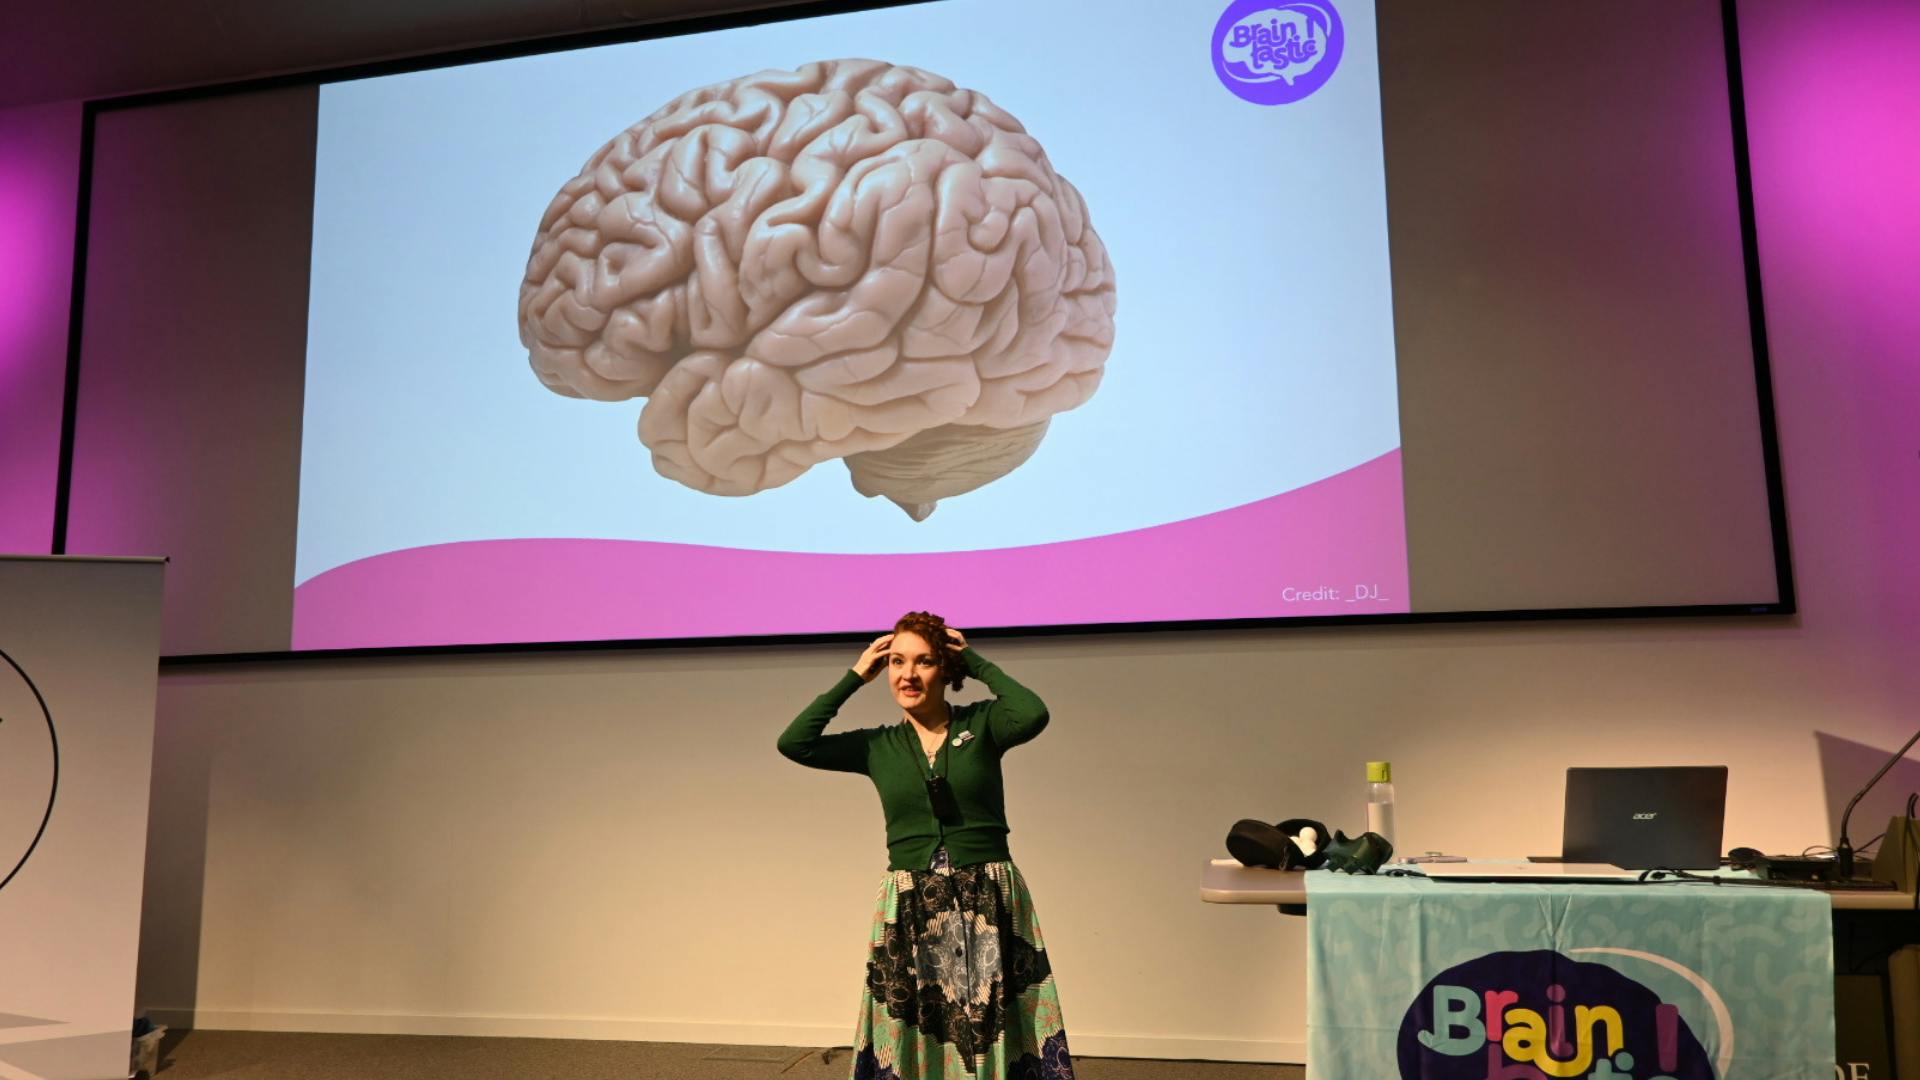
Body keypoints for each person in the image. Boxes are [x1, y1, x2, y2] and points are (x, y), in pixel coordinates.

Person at [777, 611, 1073, 1080]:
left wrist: (974, 661)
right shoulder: (878, 745)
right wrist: (855, 677)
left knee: (992, 1022)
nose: (908, 674)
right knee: (919, 1021)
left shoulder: (983, 723)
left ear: (946, 669)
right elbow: (795, 743)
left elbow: (1033, 712)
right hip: (913, 899)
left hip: (987, 895)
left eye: (924, 661)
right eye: (896, 662)